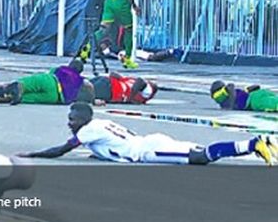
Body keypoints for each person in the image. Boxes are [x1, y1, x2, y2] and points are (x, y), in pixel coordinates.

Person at [19, 103, 276, 165]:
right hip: (149, 141)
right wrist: (101, 155)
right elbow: (113, 144)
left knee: (201, 157)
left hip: (147, 151)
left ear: (84, 119)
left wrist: (32, 154)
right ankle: (261, 144)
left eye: (72, 120)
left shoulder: (88, 130)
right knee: (199, 152)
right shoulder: (100, 125)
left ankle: (253, 144)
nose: (70, 124)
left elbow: (62, 150)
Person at [0, 59, 94, 105]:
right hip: (56, 98)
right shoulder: (80, 80)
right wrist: (93, 100)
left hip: (52, 81)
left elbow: (50, 74)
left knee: (28, 83)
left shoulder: (62, 69)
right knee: (30, 99)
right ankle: (10, 97)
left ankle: (16, 89)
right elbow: (88, 86)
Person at [89, 72, 158, 105]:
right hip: (109, 87)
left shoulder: (148, 91)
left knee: (82, 88)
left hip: (109, 87)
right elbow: (139, 82)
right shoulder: (132, 81)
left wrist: (129, 99)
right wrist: (129, 99)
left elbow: (140, 82)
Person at [210, 81, 278, 113]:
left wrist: (231, 105)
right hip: (255, 96)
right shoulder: (225, 99)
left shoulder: (221, 95)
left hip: (254, 100)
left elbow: (230, 87)